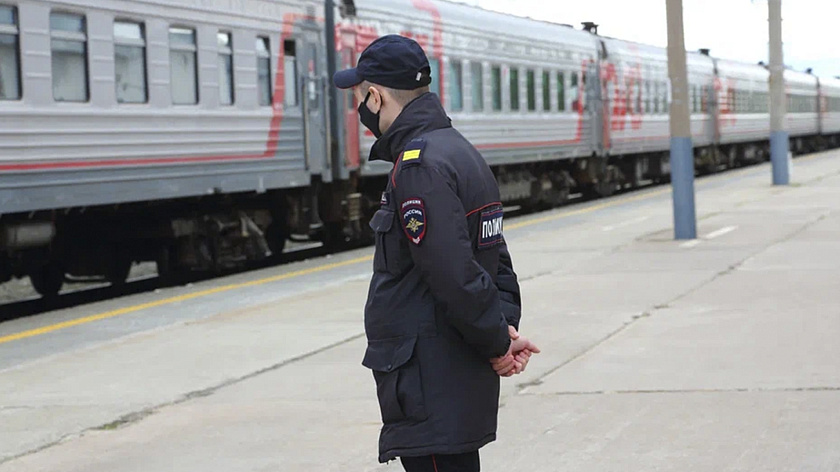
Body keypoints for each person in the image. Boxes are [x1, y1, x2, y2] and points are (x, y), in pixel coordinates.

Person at [334, 35, 540, 472]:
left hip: (429, 373)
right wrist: (503, 325)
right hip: (449, 367)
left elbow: (453, 273)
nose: (361, 111)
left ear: (375, 96)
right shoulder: (459, 150)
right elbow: (493, 250)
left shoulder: (419, 166)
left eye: (359, 97)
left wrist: (498, 342)